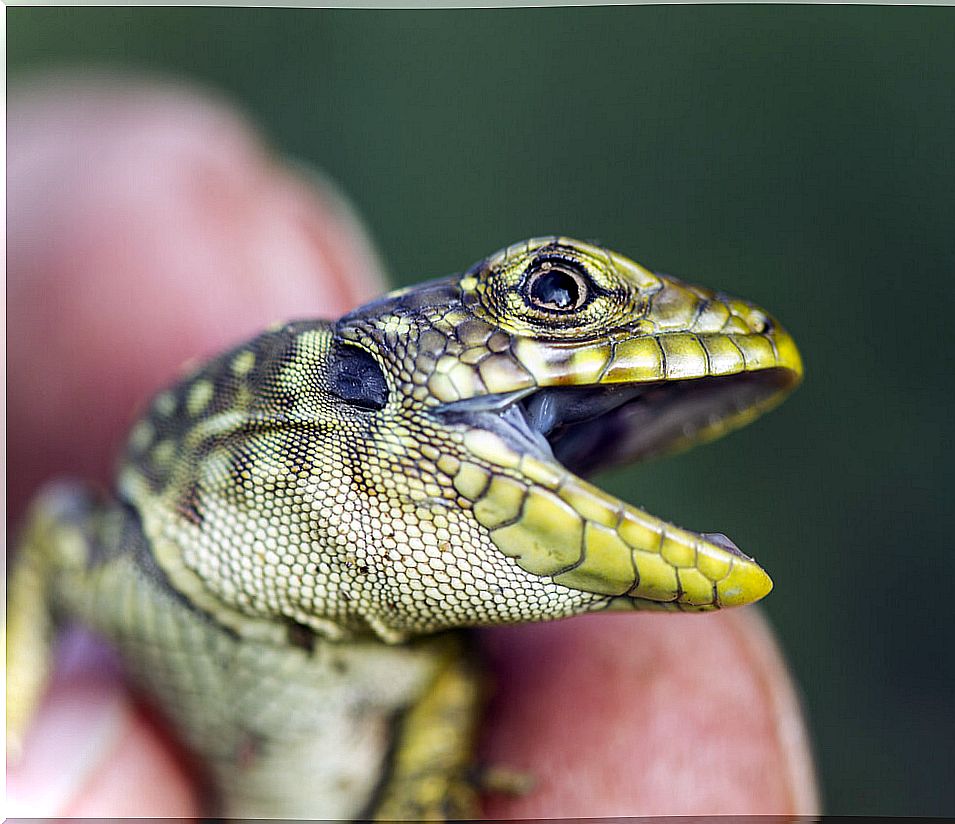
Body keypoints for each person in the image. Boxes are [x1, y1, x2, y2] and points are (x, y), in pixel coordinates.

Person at [6, 74, 819, 818]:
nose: (562, 304)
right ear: (365, 377)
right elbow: (55, 532)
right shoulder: (141, 555)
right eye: (557, 294)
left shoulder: (424, 661)